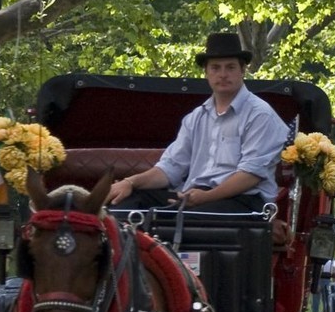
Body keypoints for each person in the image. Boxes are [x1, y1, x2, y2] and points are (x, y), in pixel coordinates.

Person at [109, 31, 286, 211]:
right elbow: (170, 168)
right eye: (215, 68)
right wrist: (130, 183)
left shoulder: (260, 115)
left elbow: (250, 175)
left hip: (243, 200)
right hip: (194, 197)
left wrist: (206, 197)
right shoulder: (195, 118)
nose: (223, 74)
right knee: (126, 202)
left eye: (230, 67)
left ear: (242, 71)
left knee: (179, 218)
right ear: (206, 73)